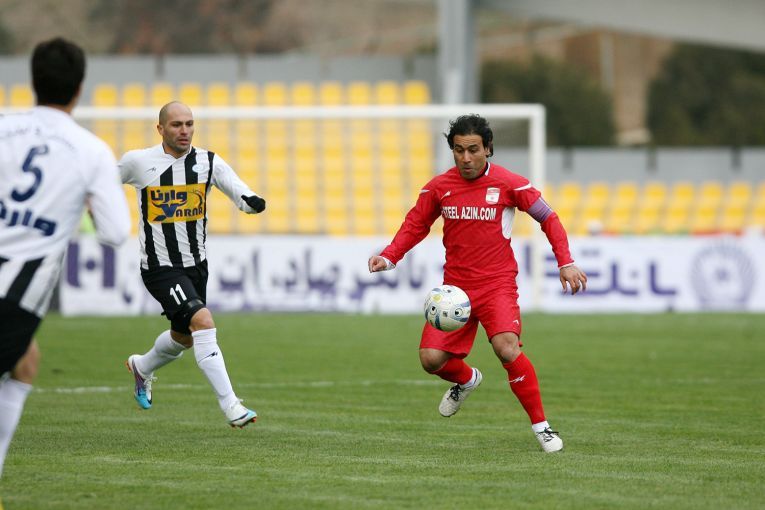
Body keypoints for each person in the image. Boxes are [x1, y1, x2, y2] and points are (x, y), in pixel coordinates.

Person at [368, 114, 587, 453]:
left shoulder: (511, 184)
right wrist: (389, 256)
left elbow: (549, 218)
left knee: (506, 348)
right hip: (455, 290)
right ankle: (467, 379)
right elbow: (416, 224)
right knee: (430, 359)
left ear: (488, 148)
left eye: (473, 150)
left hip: (497, 284)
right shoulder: (438, 187)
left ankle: (542, 428)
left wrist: (566, 261)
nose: (466, 158)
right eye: (459, 150)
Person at [0, 38, 131, 481]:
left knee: (27, 361)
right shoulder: (91, 151)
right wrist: (85, 200)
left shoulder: (3, 127)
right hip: (14, 297)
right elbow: (115, 233)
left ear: (33, 82)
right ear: (79, 89)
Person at [119, 101, 266, 428]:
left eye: (189, 124)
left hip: (196, 266)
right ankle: (232, 406)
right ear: (160, 129)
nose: (184, 130)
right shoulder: (139, 162)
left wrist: (253, 203)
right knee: (203, 321)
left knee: (184, 337)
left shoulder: (207, 162)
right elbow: (103, 183)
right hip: (160, 267)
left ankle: (142, 366)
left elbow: (240, 193)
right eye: (176, 125)